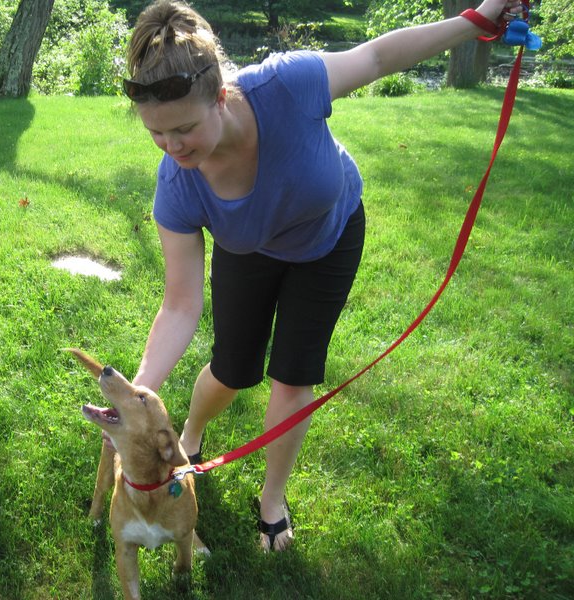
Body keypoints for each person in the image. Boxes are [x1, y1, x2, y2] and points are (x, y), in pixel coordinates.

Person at [124, 0, 523, 552]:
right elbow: (179, 305)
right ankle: (192, 435)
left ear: (221, 94)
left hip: (328, 238)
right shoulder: (177, 186)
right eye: (157, 134)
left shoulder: (288, 85)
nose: (173, 148)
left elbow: (380, 56)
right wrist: (141, 388)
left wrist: (477, 18)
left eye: (184, 129)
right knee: (233, 369)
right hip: (249, 248)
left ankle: (272, 499)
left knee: (294, 373)